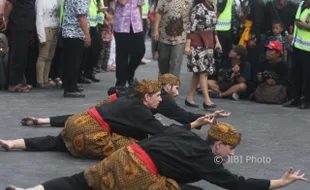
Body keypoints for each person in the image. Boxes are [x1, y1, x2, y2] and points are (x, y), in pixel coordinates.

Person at [5, 122, 307, 190]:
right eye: (231, 149)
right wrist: (278, 182)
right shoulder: (208, 160)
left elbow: (161, 134)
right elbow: (237, 184)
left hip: (125, 154)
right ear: (218, 146)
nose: (233, 153)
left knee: (79, 181)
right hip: (138, 173)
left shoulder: (184, 134)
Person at [0, 79, 214, 160]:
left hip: (77, 123)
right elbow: (164, 132)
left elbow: (113, 90)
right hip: (89, 136)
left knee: (57, 141)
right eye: (158, 97)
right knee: (136, 146)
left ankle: (12, 142)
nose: (161, 100)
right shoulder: (141, 111)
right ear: (147, 97)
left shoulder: (127, 97)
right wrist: (193, 126)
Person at [20, 74, 222, 129]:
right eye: (175, 88)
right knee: (81, 120)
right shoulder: (163, 100)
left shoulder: (147, 89)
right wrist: (207, 117)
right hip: (116, 111)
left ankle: (43, 120)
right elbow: (184, 117)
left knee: (80, 118)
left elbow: (113, 89)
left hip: (111, 102)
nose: (177, 92)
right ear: (166, 87)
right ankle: (43, 120)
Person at [184, 0, 222, 109]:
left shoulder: (213, 8)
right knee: (203, 71)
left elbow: (214, 28)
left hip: (209, 42)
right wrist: (187, 45)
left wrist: (217, 42)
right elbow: (191, 28)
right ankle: (207, 100)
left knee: (198, 72)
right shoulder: (198, 8)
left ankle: (190, 98)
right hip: (197, 43)